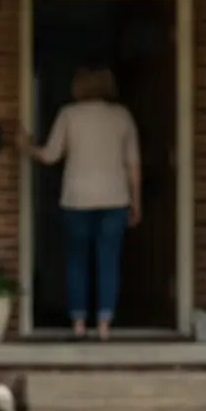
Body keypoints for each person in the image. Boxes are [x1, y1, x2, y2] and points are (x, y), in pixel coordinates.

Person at [28, 66, 141, 340]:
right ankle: (104, 325)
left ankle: (78, 323)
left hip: (77, 198)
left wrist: (25, 145)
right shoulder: (121, 116)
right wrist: (137, 202)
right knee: (108, 261)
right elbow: (133, 164)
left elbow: (49, 155)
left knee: (77, 261)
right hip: (115, 198)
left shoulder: (69, 115)